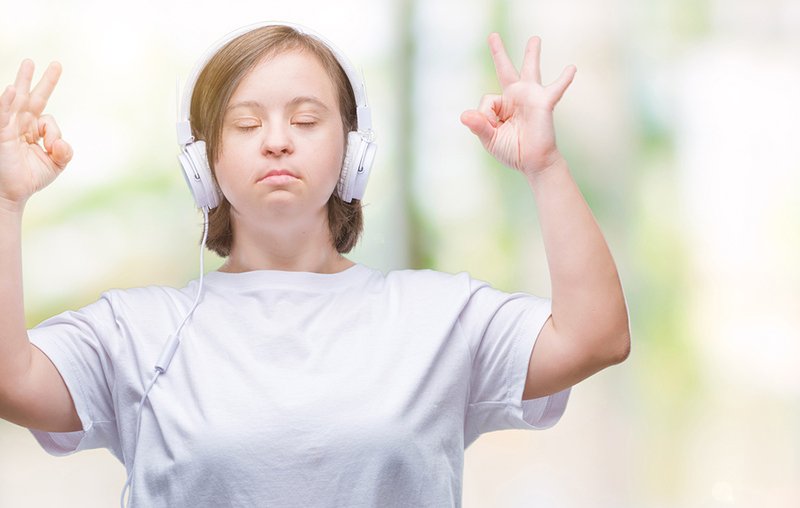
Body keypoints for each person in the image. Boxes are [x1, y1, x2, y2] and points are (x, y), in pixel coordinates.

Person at [0, 22, 630, 507]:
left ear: (353, 151)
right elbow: (12, 382)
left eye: (305, 119)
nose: (277, 139)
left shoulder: (439, 316)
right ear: (203, 164)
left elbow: (596, 337)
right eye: (245, 123)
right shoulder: (136, 332)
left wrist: (544, 167)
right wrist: (5, 200)